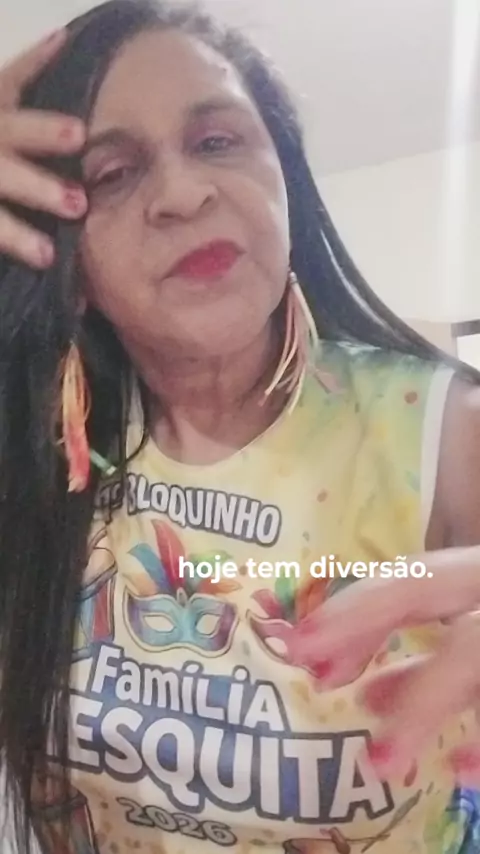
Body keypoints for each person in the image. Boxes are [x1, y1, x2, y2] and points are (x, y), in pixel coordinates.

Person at [0, 1, 480, 852]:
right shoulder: (35, 451)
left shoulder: (442, 430)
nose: (184, 194)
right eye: (114, 174)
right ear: (65, 261)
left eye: (218, 140)